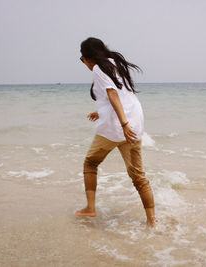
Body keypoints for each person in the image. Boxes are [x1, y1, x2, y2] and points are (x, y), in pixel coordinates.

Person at [76, 37, 157, 227]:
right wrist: (102, 112)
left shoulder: (97, 68)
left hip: (118, 126)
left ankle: (90, 208)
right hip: (136, 121)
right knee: (138, 175)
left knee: (91, 163)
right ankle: (152, 221)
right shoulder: (115, 64)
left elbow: (113, 94)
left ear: (88, 57)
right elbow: (120, 95)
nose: (84, 63)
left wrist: (123, 124)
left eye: (82, 59)